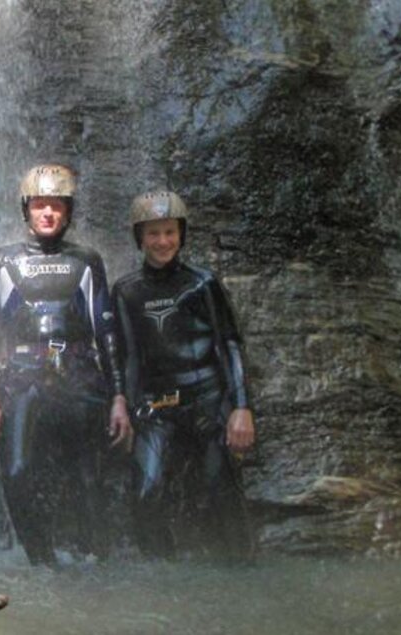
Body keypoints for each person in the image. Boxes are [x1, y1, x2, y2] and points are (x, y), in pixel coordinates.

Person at [0, 164, 131, 565]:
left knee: (88, 477)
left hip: (79, 376)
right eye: (40, 205)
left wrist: (118, 396)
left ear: (68, 212)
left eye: (56, 206)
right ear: (26, 209)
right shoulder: (0, 261)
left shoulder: (86, 260)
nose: (48, 213)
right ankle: (41, 562)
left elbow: (106, 330)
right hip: (20, 379)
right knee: (15, 471)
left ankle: (94, 560)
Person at [111, 190, 255, 561]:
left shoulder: (203, 283)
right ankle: (161, 575)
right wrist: (124, 405)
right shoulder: (126, 290)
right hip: (156, 407)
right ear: (140, 238)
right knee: (146, 491)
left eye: (170, 232)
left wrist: (241, 407)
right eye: (154, 233)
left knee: (219, 491)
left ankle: (241, 569)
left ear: (181, 234)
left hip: (207, 402)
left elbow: (230, 346)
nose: (162, 242)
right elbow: (128, 357)